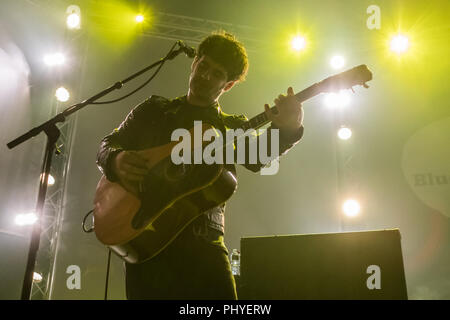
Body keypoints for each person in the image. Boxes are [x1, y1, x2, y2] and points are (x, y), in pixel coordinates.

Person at [96, 31, 304, 299]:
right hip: (145, 239)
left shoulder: (231, 127)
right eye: (203, 65)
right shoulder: (154, 110)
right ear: (194, 62)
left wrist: (288, 129)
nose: (205, 76)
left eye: (217, 73)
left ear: (228, 85)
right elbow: (109, 143)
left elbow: (259, 158)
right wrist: (115, 159)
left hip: (204, 244)